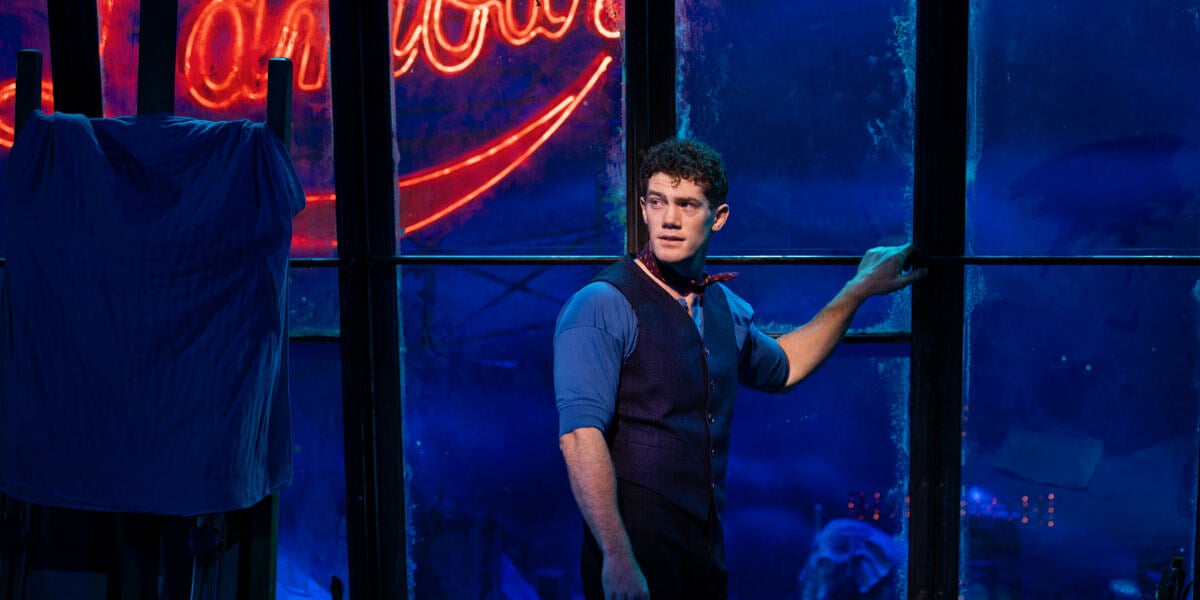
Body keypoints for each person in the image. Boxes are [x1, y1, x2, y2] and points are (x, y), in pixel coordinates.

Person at [554, 138, 925, 599]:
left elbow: (785, 365)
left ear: (719, 217)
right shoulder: (601, 304)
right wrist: (616, 556)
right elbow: (579, 436)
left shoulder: (722, 306)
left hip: (704, 548)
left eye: (687, 205)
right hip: (636, 549)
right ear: (644, 209)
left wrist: (857, 291)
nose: (669, 219)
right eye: (658, 202)